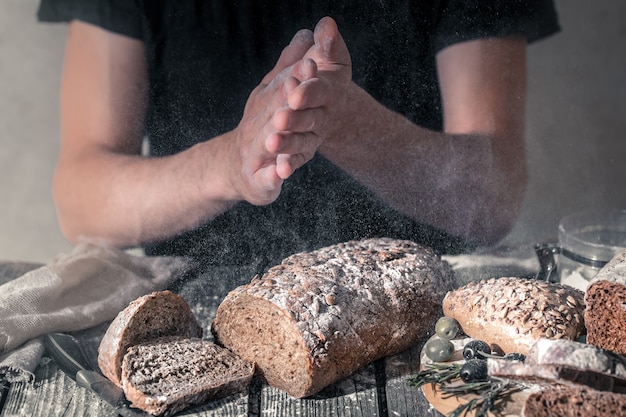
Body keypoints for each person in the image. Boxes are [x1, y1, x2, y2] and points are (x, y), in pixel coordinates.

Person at [37, 1, 560, 270]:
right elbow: (82, 199)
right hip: (197, 317)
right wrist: (230, 164)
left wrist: (348, 124)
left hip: (422, 311)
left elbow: (493, 197)